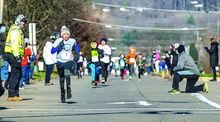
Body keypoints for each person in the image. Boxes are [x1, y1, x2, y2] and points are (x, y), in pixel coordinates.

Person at [51, 26, 79, 103]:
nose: (66, 36)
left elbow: (76, 47)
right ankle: (62, 92)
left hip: (69, 60)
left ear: (69, 35)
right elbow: (52, 51)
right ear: (61, 35)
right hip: (59, 61)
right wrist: (59, 46)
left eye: (67, 34)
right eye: (64, 34)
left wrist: (77, 54)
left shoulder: (72, 41)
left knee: (67, 73)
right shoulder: (58, 41)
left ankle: (69, 88)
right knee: (62, 78)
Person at [4, 14, 27, 101]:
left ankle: (15, 93)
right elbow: (14, 44)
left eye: (24, 22)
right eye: (22, 21)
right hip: (12, 54)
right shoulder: (15, 30)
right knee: (15, 73)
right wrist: (17, 56)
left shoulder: (19, 30)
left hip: (14, 54)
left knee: (18, 73)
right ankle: (11, 94)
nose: (23, 23)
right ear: (18, 21)